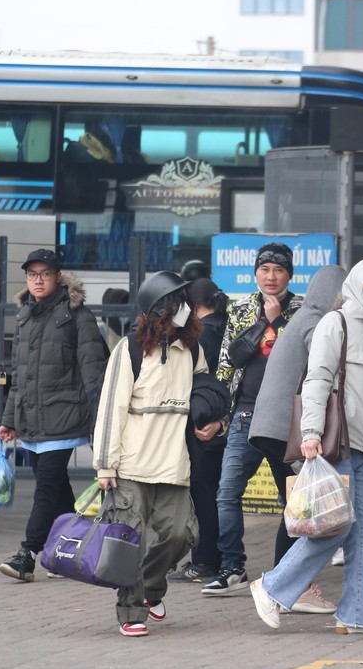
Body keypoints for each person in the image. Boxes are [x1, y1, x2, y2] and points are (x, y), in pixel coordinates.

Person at [249, 258, 363, 635]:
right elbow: (316, 380)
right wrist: (311, 433)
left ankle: (358, 614)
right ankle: (272, 586)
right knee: (335, 527)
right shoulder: (336, 324)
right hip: (338, 444)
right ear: (356, 285)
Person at [93, 271, 216, 638]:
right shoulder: (129, 350)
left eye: (186, 303)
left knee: (179, 535)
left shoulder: (192, 349)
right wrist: (105, 464)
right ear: (159, 309)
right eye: (177, 304)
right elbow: (110, 407)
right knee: (130, 540)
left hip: (174, 465)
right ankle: (131, 610)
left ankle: (150, 589)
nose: (184, 310)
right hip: (130, 466)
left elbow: (206, 395)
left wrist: (214, 422)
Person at [0, 249, 109, 582]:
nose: (38, 280)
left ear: (58, 276)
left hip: (63, 418)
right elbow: (20, 376)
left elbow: (93, 373)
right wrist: (9, 419)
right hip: (32, 421)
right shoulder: (25, 317)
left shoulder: (78, 316)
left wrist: (100, 421)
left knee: (45, 487)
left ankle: (27, 555)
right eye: (32, 274)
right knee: (57, 489)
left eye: (45, 273)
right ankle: (70, 547)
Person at [202, 242, 305, 596]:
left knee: (292, 500)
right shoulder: (242, 308)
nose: (271, 276)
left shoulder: (303, 311)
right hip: (245, 414)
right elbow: (228, 362)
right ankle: (232, 567)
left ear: (289, 274)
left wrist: (277, 321)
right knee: (226, 493)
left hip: (286, 419)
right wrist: (218, 413)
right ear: (256, 272)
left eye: (278, 270)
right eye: (265, 269)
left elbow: (307, 360)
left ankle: (285, 571)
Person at [248, 265, 348, 607]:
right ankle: (289, 586)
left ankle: (287, 584)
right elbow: (327, 368)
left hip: (269, 426)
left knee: (294, 506)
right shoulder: (316, 322)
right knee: (300, 508)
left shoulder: (303, 317)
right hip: (285, 429)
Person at [170, 277, 231, 583]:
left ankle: (204, 560)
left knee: (203, 492)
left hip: (201, 422)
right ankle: (218, 557)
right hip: (223, 421)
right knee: (220, 493)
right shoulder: (228, 326)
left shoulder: (201, 334)